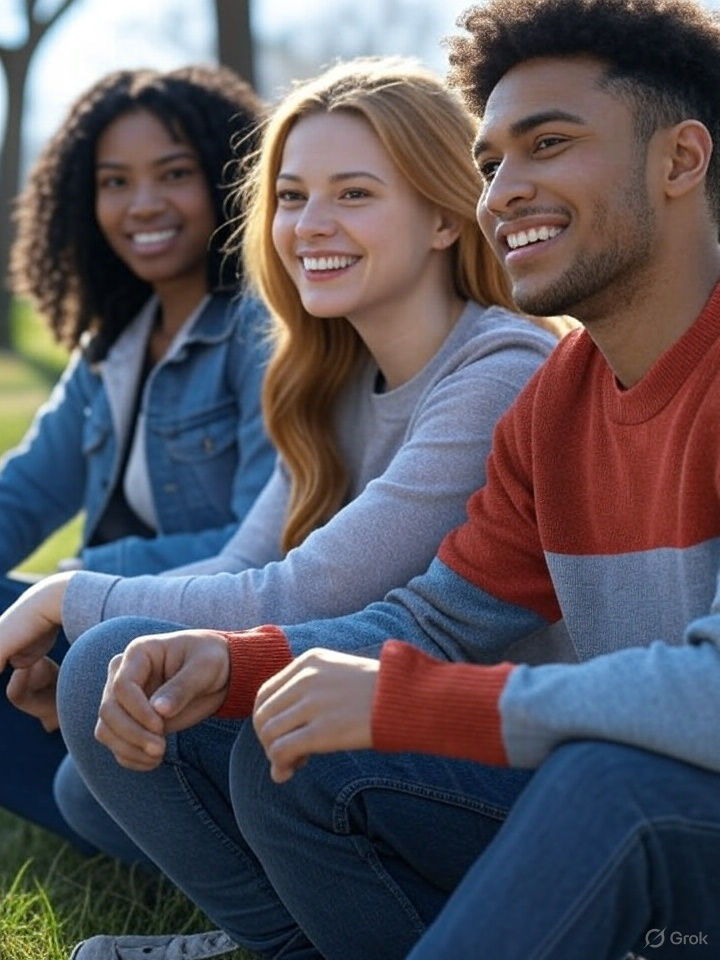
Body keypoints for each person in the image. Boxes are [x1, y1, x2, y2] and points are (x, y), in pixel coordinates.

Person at [34, 0, 720, 957]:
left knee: (609, 786)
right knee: (302, 757)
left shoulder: (510, 370)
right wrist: (240, 664)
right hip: (596, 785)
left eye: (549, 144)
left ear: (682, 161)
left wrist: (410, 701)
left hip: (657, 807)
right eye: (492, 165)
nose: (506, 191)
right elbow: (440, 617)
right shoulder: (554, 403)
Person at [0, 54, 563, 878]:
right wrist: (91, 633)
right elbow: (242, 564)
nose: (309, 225)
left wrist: (69, 595)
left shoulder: (498, 372)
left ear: (446, 217)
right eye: (292, 197)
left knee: (99, 665)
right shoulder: (326, 384)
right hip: (347, 709)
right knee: (91, 755)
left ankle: (281, 932)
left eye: (355, 193)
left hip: (487, 753)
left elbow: (305, 593)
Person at [0, 65, 275, 848]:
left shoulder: (263, 333)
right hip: (98, 641)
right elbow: (21, 493)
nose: (142, 205)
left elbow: (261, 545)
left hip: (193, 654)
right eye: (115, 182)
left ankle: (156, 820)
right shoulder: (111, 349)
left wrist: (76, 585)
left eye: (174, 174)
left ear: (231, 180)